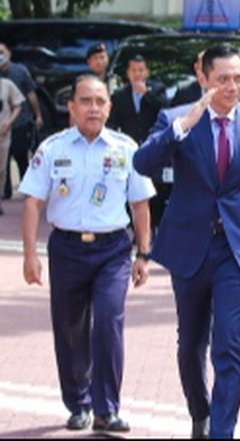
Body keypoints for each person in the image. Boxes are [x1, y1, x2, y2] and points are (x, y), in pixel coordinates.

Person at [133, 44, 240, 439]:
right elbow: (142, 163)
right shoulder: (176, 119)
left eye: (238, 78)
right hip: (189, 247)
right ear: (203, 77)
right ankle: (199, 412)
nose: (232, 86)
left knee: (230, 345)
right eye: (222, 79)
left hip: (238, 250)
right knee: (190, 346)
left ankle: (222, 432)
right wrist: (184, 125)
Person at [19, 75, 156, 432]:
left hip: (112, 250)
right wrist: (29, 255)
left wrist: (143, 254)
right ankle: (78, 402)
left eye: (100, 102)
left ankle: (106, 409)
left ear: (109, 107)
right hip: (65, 248)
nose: (93, 108)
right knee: (70, 328)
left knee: (109, 322)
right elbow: (33, 202)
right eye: (86, 101)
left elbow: (140, 203)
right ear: (72, 107)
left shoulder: (126, 148)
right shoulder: (53, 148)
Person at [108, 54, 169, 233]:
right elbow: (113, 121)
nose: (137, 74)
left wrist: (146, 93)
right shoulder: (120, 95)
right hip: (130, 148)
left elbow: (165, 109)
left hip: (153, 146)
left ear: (147, 72)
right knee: (132, 189)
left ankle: (155, 227)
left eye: (141, 70)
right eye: (133, 71)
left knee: (154, 189)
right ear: (128, 73)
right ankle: (138, 230)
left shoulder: (157, 89)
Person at [0, 42, 43, 200]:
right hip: (2, 122)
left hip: (20, 120)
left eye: (2, 51)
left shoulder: (20, 71)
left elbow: (31, 94)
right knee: (3, 158)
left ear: (9, 53)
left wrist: (38, 115)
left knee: (20, 155)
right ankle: (5, 191)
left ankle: (27, 188)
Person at [0, 77, 24, 215]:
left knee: (1, 170)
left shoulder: (6, 85)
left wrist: (9, 122)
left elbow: (18, 105)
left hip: (3, 134)